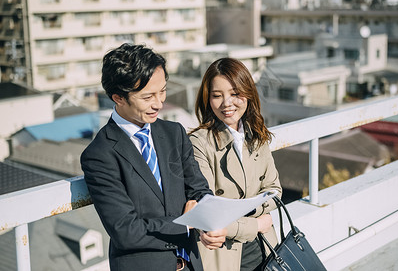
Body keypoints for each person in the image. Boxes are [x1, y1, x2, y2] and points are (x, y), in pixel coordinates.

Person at [81, 43, 226, 271]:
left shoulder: (174, 133)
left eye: (163, 91)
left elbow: (199, 190)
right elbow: (126, 231)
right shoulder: (100, 155)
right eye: (147, 96)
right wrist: (186, 224)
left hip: (192, 264)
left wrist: (208, 223)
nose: (158, 103)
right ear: (118, 97)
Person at [189, 57, 282, 271]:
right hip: (225, 253)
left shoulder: (256, 134)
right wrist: (256, 224)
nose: (226, 103)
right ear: (207, 99)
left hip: (266, 245)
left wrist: (237, 216)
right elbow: (208, 212)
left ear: (248, 94)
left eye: (235, 93)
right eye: (217, 96)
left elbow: (275, 191)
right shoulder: (199, 142)